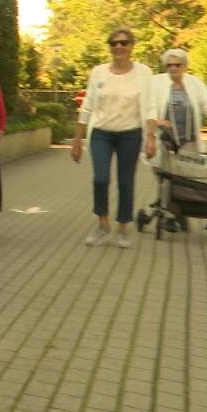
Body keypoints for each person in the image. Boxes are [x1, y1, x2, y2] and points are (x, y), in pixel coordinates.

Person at [70, 28, 157, 248]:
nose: (118, 47)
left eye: (124, 43)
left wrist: (151, 137)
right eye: (113, 43)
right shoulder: (98, 72)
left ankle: (122, 228)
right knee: (101, 179)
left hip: (130, 134)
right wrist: (77, 140)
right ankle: (103, 225)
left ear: (131, 46)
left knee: (125, 182)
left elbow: (150, 108)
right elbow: (88, 105)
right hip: (101, 134)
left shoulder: (144, 72)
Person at [150, 48, 207, 157]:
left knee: (191, 173)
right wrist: (158, 122)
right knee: (167, 173)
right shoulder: (155, 82)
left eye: (177, 65)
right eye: (169, 65)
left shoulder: (195, 82)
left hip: (191, 144)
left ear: (185, 66)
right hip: (164, 144)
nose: (173, 68)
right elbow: (147, 108)